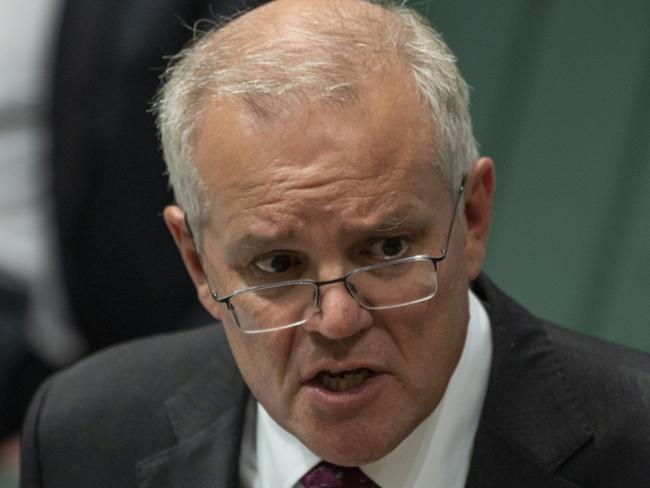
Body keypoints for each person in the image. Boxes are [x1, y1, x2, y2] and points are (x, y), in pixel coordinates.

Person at [20, 1, 650, 487]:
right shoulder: (85, 433)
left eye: (386, 249)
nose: (338, 319)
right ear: (197, 261)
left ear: (474, 217)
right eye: (278, 265)